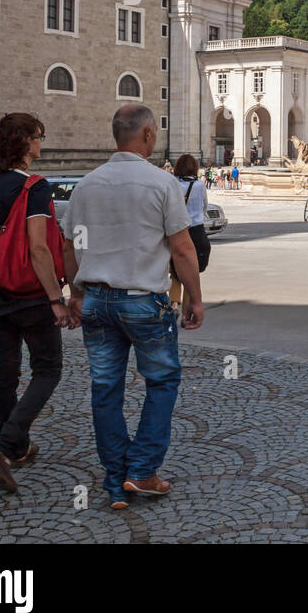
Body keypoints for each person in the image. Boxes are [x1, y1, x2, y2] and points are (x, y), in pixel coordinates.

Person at [64, 104, 204, 510]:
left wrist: (75, 294)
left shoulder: (87, 184)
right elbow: (181, 247)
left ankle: (114, 480)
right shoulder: (161, 184)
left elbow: (70, 246)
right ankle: (141, 470)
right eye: (154, 133)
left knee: (105, 389)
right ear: (146, 136)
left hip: (95, 301)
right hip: (144, 301)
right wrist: (195, 297)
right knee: (161, 382)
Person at [0, 113, 70, 493]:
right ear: (27, 142)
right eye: (39, 137)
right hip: (29, 295)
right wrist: (55, 299)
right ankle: (3, 446)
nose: (41, 143)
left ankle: (17, 447)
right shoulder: (35, 187)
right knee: (48, 369)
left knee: (5, 374)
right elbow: (39, 249)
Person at [170, 154, 210, 313]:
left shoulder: (173, 185)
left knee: (175, 272)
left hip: (177, 229)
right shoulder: (200, 185)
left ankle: (173, 304)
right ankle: (187, 313)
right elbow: (205, 206)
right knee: (191, 273)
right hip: (197, 230)